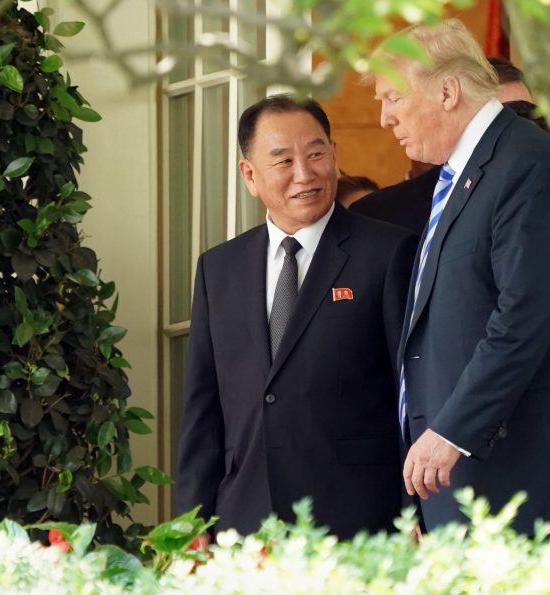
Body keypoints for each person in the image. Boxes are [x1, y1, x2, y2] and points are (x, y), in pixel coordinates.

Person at [368, 19, 550, 540]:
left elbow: (523, 317)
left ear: (448, 91)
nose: (384, 118)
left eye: (392, 97)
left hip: (523, 482)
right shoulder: (470, 171)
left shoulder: (529, 164)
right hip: (472, 481)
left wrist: (450, 432)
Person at [175, 94, 418, 540]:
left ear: (334, 155)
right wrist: (193, 519)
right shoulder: (219, 268)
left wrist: (414, 509)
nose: (305, 174)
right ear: (250, 175)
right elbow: (202, 408)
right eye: (283, 160)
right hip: (247, 521)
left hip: (358, 519)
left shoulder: (388, 254)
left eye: (316, 153)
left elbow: (413, 391)